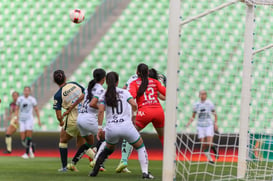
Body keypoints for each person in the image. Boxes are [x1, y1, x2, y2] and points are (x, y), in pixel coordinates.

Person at [89, 72, 154, 179]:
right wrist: (133, 117)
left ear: (107, 82)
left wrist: (100, 128)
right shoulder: (124, 92)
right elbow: (134, 104)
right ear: (117, 81)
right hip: (126, 126)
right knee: (140, 146)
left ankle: (94, 171)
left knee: (108, 149)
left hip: (111, 128)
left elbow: (100, 111)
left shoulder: (104, 94)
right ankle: (145, 173)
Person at [116, 63, 166, 173]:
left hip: (144, 112)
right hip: (158, 111)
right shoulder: (154, 82)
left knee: (130, 134)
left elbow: (130, 96)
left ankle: (124, 160)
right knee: (163, 138)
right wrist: (165, 85)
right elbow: (165, 96)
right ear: (148, 72)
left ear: (137, 72)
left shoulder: (134, 81)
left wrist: (133, 113)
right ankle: (171, 160)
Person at [52, 70, 95, 172]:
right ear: (65, 78)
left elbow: (58, 115)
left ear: (55, 81)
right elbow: (86, 94)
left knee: (63, 140)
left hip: (73, 120)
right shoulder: (74, 84)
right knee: (81, 145)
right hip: (85, 116)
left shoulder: (58, 95)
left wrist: (61, 122)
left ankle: (64, 167)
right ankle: (98, 160)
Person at [66, 68, 106, 172]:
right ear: (104, 78)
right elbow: (93, 104)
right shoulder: (100, 89)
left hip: (80, 119)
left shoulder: (89, 87)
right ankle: (96, 160)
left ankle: (73, 163)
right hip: (89, 119)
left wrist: (70, 109)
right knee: (105, 137)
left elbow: (80, 99)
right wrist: (102, 108)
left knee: (89, 142)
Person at [186, 90, 218, 163]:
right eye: (201, 94)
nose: (203, 95)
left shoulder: (210, 104)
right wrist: (189, 123)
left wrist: (215, 123)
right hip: (200, 126)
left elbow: (215, 114)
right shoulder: (196, 105)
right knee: (203, 144)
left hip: (208, 125)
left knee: (209, 143)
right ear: (199, 95)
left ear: (206, 95)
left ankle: (214, 148)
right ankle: (210, 159)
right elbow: (193, 116)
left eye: (204, 94)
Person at [14, 87, 42, 159]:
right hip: (21, 119)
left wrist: (39, 120)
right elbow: (17, 109)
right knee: (23, 138)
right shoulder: (20, 99)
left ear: (29, 92)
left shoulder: (32, 99)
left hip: (29, 119)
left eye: (27, 91)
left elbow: (36, 110)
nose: (26, 92)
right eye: (25, 91)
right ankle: (32, 147)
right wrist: (16, 118)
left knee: (28, 135)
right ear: (23, 91)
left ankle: (27, 153)